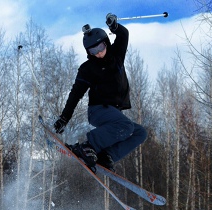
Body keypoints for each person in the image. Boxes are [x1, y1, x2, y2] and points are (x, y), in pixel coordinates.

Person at [54, 13, 147, 172]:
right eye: (93, 50)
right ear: (88, 52)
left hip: (114, 112)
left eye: (100, 47)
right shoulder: (87, 69)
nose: (98, 53)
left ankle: (107, 155)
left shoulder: (117, 56)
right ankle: (88, 146)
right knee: (125, 126)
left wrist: (114, 26)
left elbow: (123, 35)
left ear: (106, 44)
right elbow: (75, 95)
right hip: (97, 110)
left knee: (140, 133)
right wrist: (64, 117)